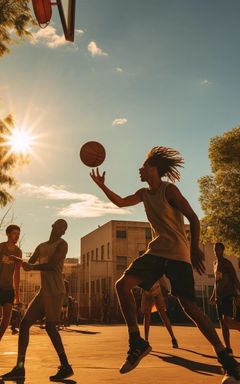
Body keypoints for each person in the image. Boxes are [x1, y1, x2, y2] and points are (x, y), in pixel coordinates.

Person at [90, 146, 240, 379]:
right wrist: (102, 186)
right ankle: (136, 341)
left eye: (144, 165)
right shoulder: (143, 194)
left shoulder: (169, 191)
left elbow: (193, 218)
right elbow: (120, 202)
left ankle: (226, 359)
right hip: (158, 251)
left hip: (178, 253)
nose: (139, 169)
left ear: (154, 169)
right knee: (122, 285)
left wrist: (194, 248)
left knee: (190, 307)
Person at [1, 219, 74, 381]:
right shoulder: (41, 246)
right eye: (60, 226)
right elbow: (30, 263)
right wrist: (17, 260)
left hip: (55, 291)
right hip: (44, 291)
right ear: (53, 225)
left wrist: (31, 267)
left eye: (64, 229)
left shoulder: (63, 244)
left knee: (50, 326)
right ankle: (19, 368)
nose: (62, 230)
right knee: (25, 324)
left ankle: (66, 366)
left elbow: (53, 265)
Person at [209, 242, 240, 355]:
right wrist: (213, 295)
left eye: (218, 249)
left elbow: (235, 279)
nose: (216, 252)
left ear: (222, 250)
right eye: (214, 249)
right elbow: (216, 281)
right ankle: (228, 348)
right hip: (219, 297)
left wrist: (238, 293)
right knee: (222, 323)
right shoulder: (215, 263)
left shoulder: (227, 264)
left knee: (228, 321)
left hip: (228, 295)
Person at [141, 276, 178, 347]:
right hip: (157, 290)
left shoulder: (143, 266)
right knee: (163, 315)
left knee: (147, 316)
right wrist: (166, 290)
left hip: (147, 291)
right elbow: (161, 278)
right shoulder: (157, 265)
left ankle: (146, 340)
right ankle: (173, 338)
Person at [0, 224, 22, 342]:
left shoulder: (18, 252)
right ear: (8, 234)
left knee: (7, 317)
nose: (17, 236)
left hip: (8, 289)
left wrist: (17, 294)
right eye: (14, 233)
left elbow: (17, 273)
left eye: (18, 234)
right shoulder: (1, 247)